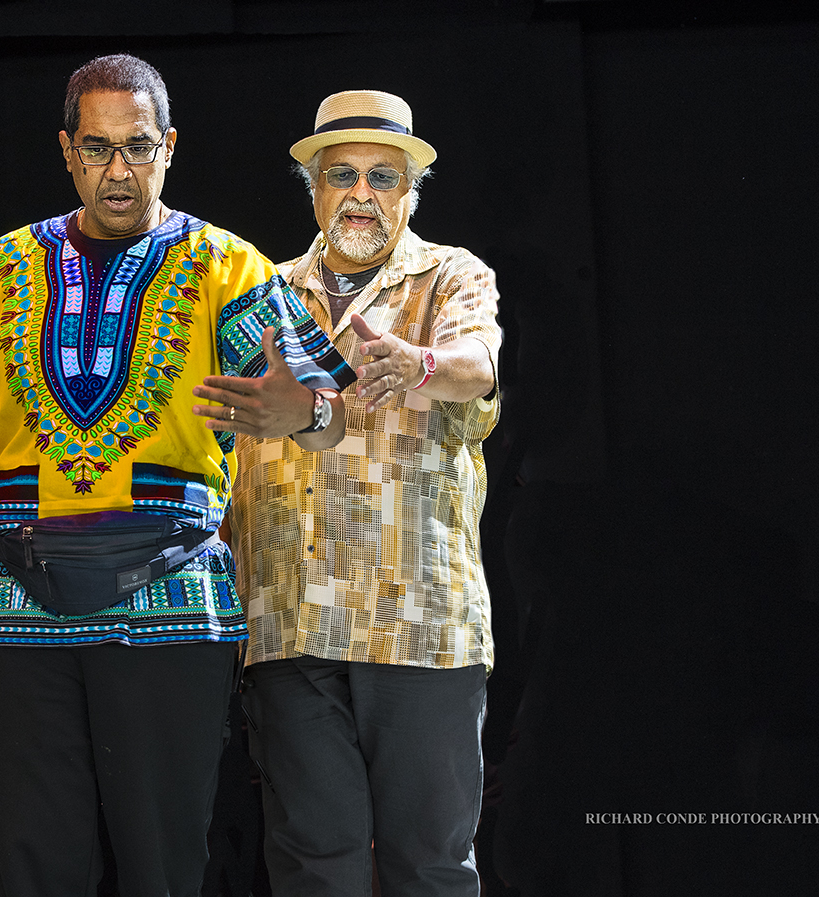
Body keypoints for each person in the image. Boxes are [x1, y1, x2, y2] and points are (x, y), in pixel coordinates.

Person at [0, 54, 353, 897]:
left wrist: (301, 414)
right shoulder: (5, 266)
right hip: (16, 602)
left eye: (138, 148)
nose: (119, 172)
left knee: (162, 866)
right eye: (98, 149)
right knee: (32, 866)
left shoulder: (223, 267)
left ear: (169, 147)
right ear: (66, 151)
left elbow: (323, 407)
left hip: (169, 601)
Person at [219, 90, 502, 896]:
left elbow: (476, 364)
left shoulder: (451, 275)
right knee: (311, 865)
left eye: (384, 176)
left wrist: (415, 364)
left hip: (419, 626)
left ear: (410, 192)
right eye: (341, 173)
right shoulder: (260, 295)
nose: (361, 193)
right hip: (291, 620)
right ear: (312, 187)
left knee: (430, 867)